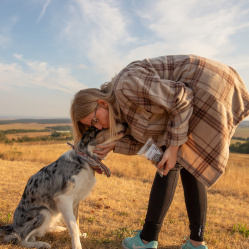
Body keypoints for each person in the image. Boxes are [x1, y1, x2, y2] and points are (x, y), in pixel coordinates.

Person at [70, 55, 249, 249]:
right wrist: (115, 146)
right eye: (93, 126)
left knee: (177, 160)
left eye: (95, 120)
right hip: (200, 93)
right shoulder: (121, 110)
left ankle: (147, 240)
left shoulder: (126, 86)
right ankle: (195, 243)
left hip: (209, 86)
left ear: (102, 103)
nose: (99, 126)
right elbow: (146, 139)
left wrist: (172, 148)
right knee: (185, 162)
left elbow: (182, 98)